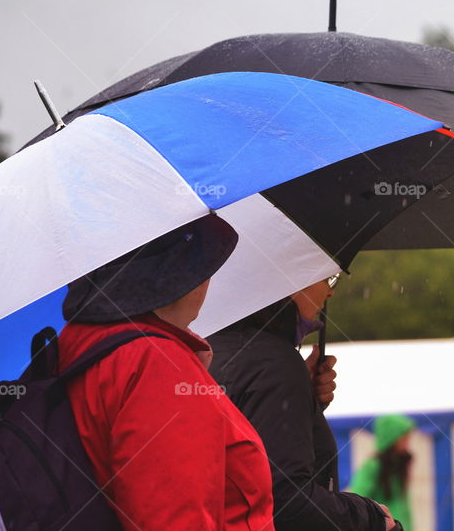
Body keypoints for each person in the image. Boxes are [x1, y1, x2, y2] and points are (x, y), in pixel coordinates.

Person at [59, 214, 274, 530]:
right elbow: (175, 519)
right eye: (206, 265)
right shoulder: (156, 365)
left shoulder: (84, 342)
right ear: (183, 275)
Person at [208, 277, 396, 531]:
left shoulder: (208, 350)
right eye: (328, 279)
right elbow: (286, 500)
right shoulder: (275, 363)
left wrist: (303, 403)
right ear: (293, 281)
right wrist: (371, 517)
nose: (330, 292)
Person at [348, 414, 417, 531]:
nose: (407, 441)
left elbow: (403, 507)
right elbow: (358, 499)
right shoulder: (373, 466)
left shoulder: (399, 465)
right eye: (404, 437)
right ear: (392, 437)